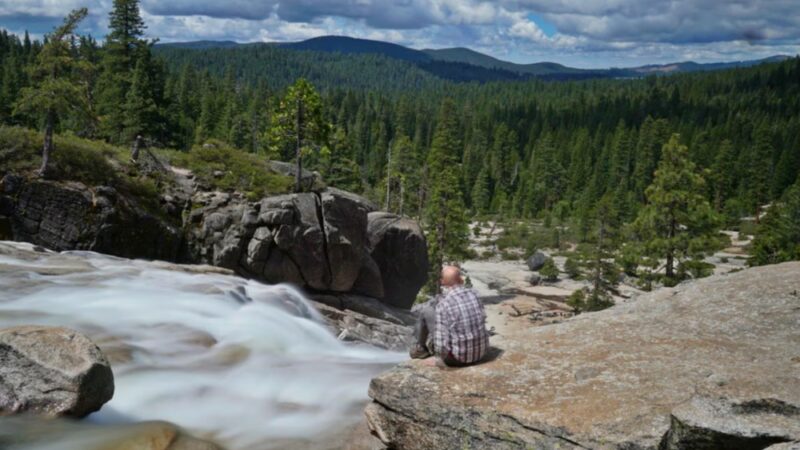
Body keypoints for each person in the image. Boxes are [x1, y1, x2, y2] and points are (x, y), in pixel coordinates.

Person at [411, 266, 489, 367]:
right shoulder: (475, 294)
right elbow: (482, 319)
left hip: (457, 359)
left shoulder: (444, 304)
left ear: (442, 282)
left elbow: (440, 340)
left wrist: (438, 359)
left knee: (426, 311)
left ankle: (420, 350)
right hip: (480, 354)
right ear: (461, 279)